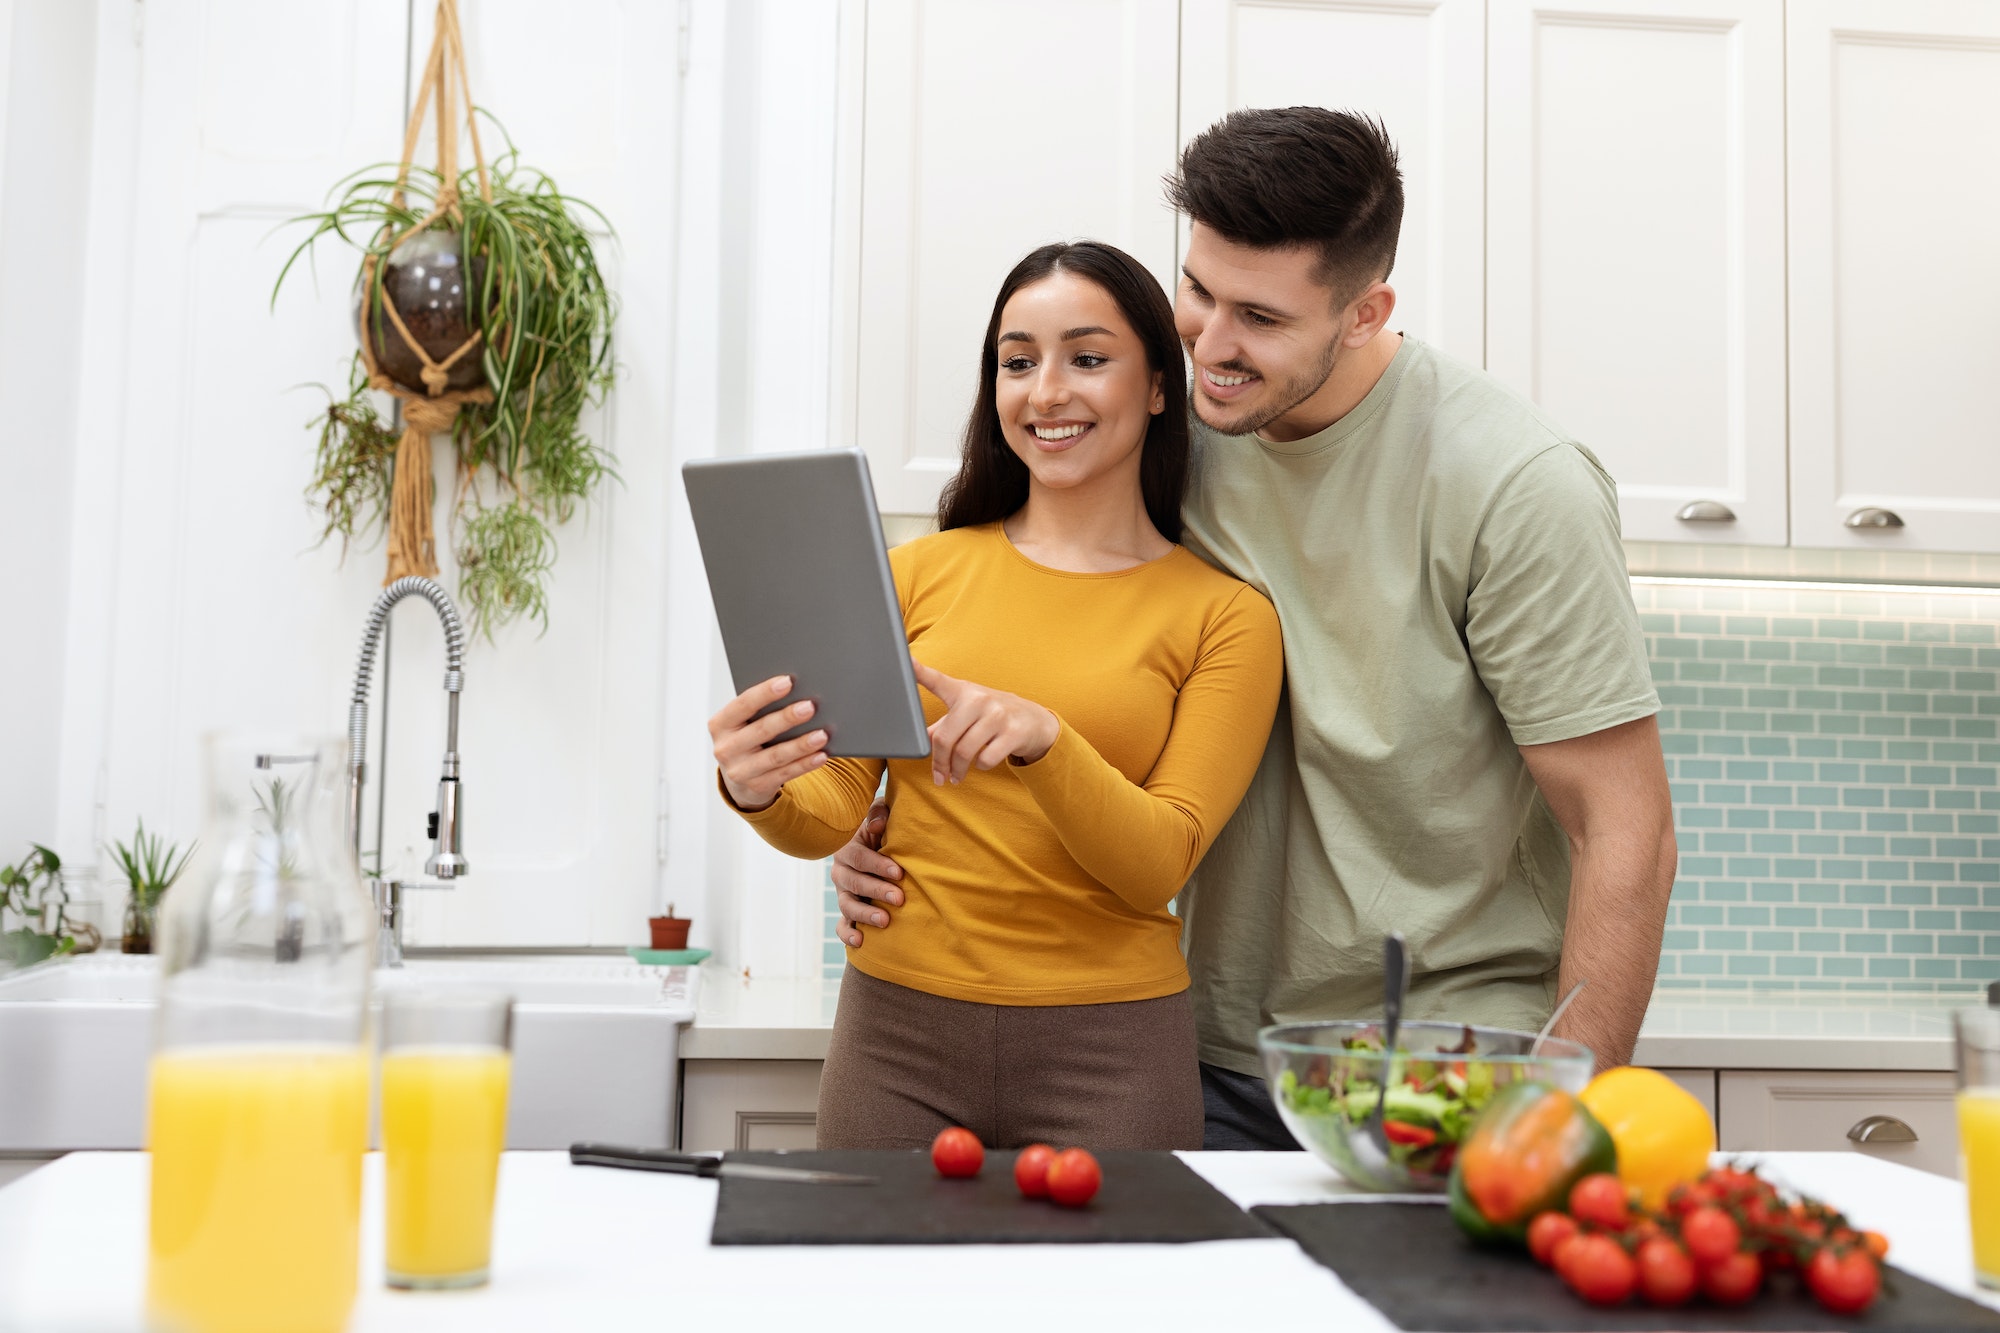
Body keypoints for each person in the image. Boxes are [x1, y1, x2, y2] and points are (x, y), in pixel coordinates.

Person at [833, 108, 1678, 1150]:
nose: (1211, 346)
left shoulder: (1512, 484)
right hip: (1211, 1042)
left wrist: (1559, 1113)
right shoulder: (1176, 441)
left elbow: (1622, 828)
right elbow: (1045, 636)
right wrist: (886, 836)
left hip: (1445, 1062)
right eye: (1196, 292)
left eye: (1260, 318)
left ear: (1365, 311)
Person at [707, 240, 1283, 1151]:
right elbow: (832, 815)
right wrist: (758, 787)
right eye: (1018, 362)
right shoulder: (911, 575)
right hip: (895, 1038)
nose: (1045, 391)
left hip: (1115, 1051)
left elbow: (1159, 863)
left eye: (1088, 358)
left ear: (1160, 386)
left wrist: (1046, 740)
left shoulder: (1226, 618)